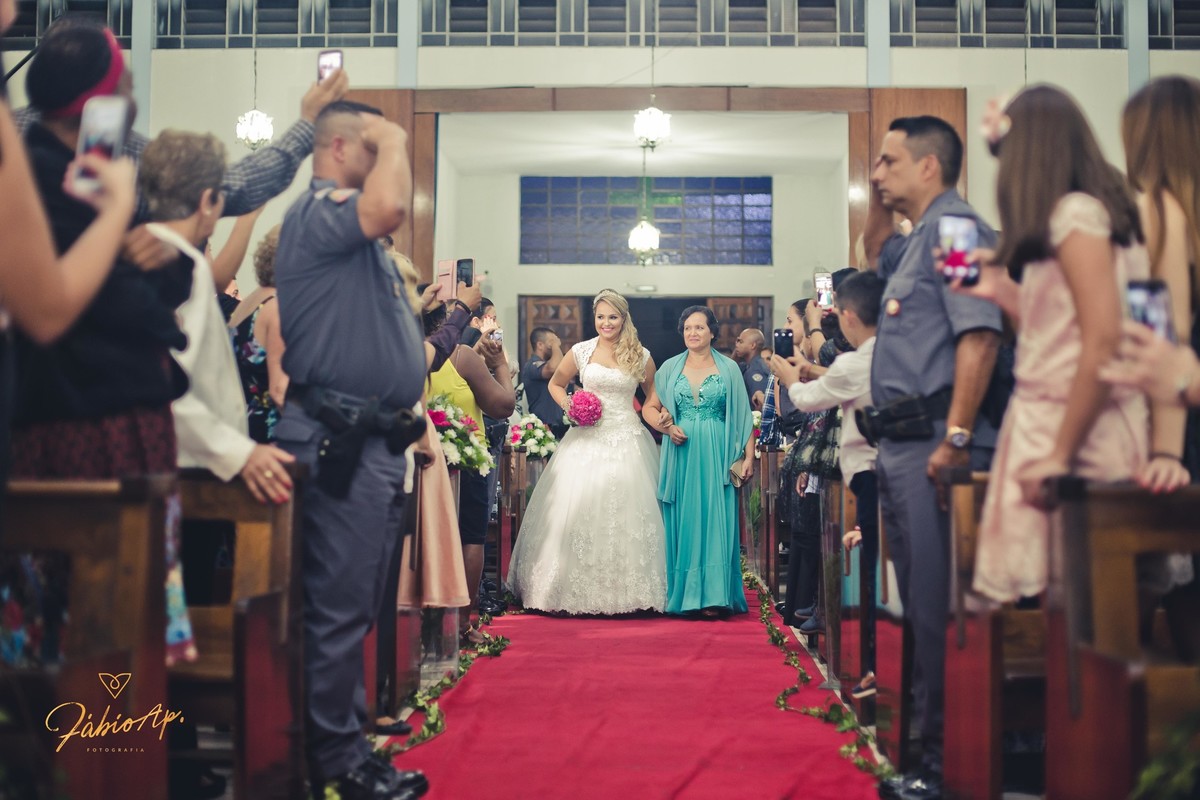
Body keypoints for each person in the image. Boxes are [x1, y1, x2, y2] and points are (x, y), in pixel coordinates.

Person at [272, 100, 430, 800]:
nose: (385, 157)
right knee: (336, 608)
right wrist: (396, 131)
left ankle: (349, 741)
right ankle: (334, 762)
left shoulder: (353, 240)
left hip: (371, 438)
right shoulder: (317, 212)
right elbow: (391, 204)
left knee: (356, 605)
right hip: (339, 437)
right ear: (340, 147)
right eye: (372, 145)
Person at [867, 115, 1002, 800]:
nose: (876, 172)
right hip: (903, 441)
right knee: (918, 605)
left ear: (929, 167)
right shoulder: (920, 239)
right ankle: (926, 754)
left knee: (935, 605)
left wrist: (954, 437)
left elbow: (978, 335)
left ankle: (946, 769)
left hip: (932, 443)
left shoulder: (952, 233)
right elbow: (873, 260)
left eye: (889, 161)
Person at [13, 13, 349, 226]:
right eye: (129, 88)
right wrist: (307, 123)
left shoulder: (11, 137)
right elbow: (231, 188)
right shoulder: (128, 160)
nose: (133, 102)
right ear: (103, 99)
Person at [508, 289, 668, 614]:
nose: (606, 323)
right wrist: (572, 405)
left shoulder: (640, 354)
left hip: (628, 439)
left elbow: (652, 394)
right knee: (575, 509)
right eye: (600, 317)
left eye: (612, 317)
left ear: (624, 319)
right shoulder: (580, 351)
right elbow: (556, 383)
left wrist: (658, 414)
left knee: (629, 512)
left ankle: (634, 591)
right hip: (585, 438)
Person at [772, 271, 885, 697]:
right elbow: (844, 377)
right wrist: (813, 368)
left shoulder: (858, 360)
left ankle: (875, 667)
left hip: (868, 475)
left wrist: (788, 378)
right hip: (890, 474)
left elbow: (807, 399)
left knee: (875, 573)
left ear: (849, 317)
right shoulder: (895, 354)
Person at [645, 305, 754, 618]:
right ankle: (687, 593)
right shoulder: (669, 369)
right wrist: (664, 426)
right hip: (681, 452)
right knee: (687, 517)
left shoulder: (729, 369)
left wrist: (748, 456)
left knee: (716, 518)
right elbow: (649, 408)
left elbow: (743, 415)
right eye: (688, 328)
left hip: (718, 450)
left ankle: (716, 595)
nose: (693, 333)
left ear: (712, 332)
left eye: (699, 328)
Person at [424, 297, 515, 640]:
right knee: (469, 539)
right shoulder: (459, 356)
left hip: (419, 459)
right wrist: (500, 364)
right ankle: (461, 625)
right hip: (464, 459)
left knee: (424, 539)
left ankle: (422, 624)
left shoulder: (401, 352)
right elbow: (503, 404)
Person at [229, 225, 285, 443]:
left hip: (240, 425)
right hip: (268, 434)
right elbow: (280, 390)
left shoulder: (250, 302)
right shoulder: (277, 307)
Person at [522, 326, 567, 437]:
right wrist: (556, 345)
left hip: (559, 427)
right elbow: (552, 368)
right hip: (542, 428)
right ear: (540, 345)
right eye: (551, 342)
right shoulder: (532, 365)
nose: (555, 345)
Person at [732, 327, 770, 410]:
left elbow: (760, 402)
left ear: (753, 345)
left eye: (741, 342)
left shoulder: (755, 370)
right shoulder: (748, 365)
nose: (737, 345)